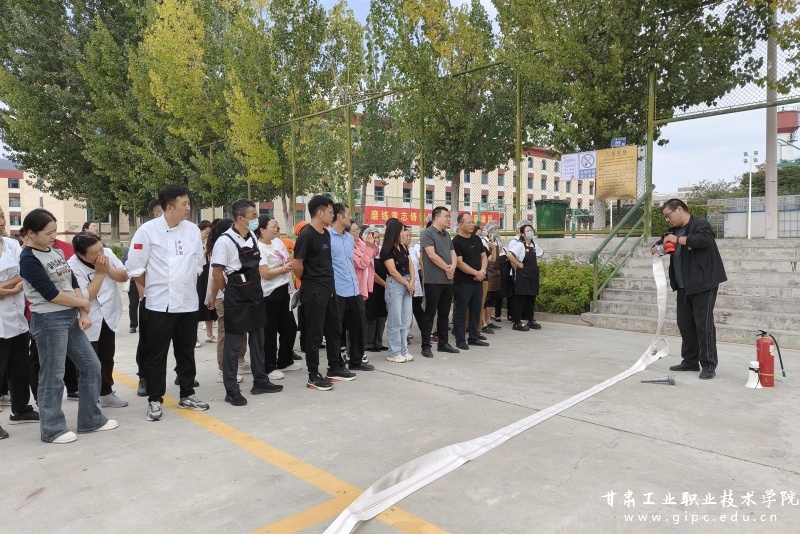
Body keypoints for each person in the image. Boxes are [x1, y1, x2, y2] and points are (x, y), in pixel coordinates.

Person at [19, 208, 117, 443]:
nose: (53, 236)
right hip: (48, 320)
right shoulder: (28, 258)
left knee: (91, 366)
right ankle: (52, 429)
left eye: (55, 231)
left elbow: (71, 282)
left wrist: (82, 312)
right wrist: (83, 303)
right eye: (48, 233)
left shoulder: (55, 251)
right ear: (31, 233)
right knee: (53, 376)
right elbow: (50, 294)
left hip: (70, 316)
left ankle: (90, 419)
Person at [126, 184, 210, 422]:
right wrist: (152, 290)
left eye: (188, 203)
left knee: (186, 351)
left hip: (187, 303)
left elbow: (198, 265)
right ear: (169, 207)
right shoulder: (147, 231)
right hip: (159, 304)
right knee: (156, 354)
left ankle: (187, 393)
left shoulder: (192, 230)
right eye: (184, 204)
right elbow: (136, 268)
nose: (188, 207)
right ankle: (155, 399)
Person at [208, 199, 282, 406]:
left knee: (258, 341)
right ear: (240, 218)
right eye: (253, 216)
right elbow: (217, 273)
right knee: (233, 345)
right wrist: (230, 291)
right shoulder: (225, 241)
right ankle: (231, 389)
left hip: (256, 293)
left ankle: (260, 381)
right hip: (236, 296)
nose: (256, 219)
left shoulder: (251, 237)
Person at [651, 199, 727, 380]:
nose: (667, 219)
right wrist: (658, 248)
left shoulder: (701, 225)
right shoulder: (672, 231)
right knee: (685, 324)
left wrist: (678, 240)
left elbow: (705, 240)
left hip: (703, 284)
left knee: (704, 326)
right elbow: (659, 244)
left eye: (668, 215)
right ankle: (690, 361)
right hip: (683, 285)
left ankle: (709, 365)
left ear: (679, 209)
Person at [292, 195, 354, 390]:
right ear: (319, 213)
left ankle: (334, 367)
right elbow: (297, 265)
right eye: (330, 212)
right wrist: (311, 280)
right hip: (314, 291)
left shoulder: (325, 234)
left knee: (334, 329)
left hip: (329, 289)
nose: (332, 215)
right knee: (314, 334)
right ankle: (313, 375)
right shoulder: (306, 235)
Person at [68, 232, 129, 408]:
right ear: (81, 254)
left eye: (100, 249)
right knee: (88, 361)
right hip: (88, 316)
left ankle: (106, 393)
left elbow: (124, 276)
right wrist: (100, 273)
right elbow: (85, 297)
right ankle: (90, 399)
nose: (100, 254)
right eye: (94, 253)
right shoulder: (72, 266)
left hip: (109, 313)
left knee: (107, 355)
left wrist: (108, 269)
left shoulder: (107, 254)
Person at [0, 206, 37, 439]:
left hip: (17, 316)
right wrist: (11, 287)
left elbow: (22, 274)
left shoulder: (12, 245)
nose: (1, 222)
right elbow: (15, 280)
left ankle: (20, 409)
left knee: (20, 365)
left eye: (2, 216)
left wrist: (6, 287)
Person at [328, 205, 374, 372]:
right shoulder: (327, 237)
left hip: (354, 288)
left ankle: (356, 360)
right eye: (348, 214)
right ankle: (335, 364)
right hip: (337, 290)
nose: (351, 216)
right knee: (336, 329)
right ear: (339, 216)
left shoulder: (349, 238)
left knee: (358, 327)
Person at [256, 215, 301, 378]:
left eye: (277, 226)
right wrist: (283, 269)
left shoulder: (277, 242)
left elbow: (285, 260)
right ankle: (269, 366)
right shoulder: (259, 247)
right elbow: (265, 273)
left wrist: (290, 262)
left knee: (290, 327)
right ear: (262, 230)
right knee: (270, 331)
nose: (277, 229)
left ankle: (285, 360)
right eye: (273, 226)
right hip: (269, 292)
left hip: (282, 289)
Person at [132, 199, 168, 394]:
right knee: (148, 342)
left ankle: (183, 375)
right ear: (158, 213)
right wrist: (144, 291)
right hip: (151, 299)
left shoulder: (182, 234)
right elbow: (137, 268)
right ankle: (144, 377)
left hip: (176, 300)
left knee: (181, 341)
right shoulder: (146, 234)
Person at [206, 219, 245, 384]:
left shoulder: (234, 245)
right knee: (225, 334)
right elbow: (215, 277)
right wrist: (216, 296)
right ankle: (223, 369)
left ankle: (239, 362)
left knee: (239, 333)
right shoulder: (221, 247)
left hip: (238, 296)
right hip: (225, 298)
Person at [419, 206, 459, 358]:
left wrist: (452, 267)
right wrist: (447, 268)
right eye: (446, 216)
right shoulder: (427, 233)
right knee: (429, 314)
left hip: (448, 280)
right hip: (433, 280)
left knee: (444, 314)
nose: (448, 219)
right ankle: (426, 346)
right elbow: (431, 255)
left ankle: (443, 343)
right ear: (436, 217)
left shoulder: (446, 234)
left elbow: (453, 253)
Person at [451, 213, 489, 350]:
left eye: (473, 222)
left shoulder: (476, 239)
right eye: (469, 222)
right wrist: (476, 273)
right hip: (463, 283)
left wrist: (482, 272)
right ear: (461, 224)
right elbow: (460, 263)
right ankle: (460, 340)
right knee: (460, 312)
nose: (472, 225)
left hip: (478, 281)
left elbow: (483, 256)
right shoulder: (456, 242)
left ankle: (474, 337)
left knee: (476, 311)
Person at [380, 218, 415, 362]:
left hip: (407, 283)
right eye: (401, 230)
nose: (403, 233)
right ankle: (394, 352)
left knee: (406, 320)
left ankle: (403, 350)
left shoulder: (403, 246)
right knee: (395, 320)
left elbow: (410, 264)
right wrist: (407, 283)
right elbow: (393, 271)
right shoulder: (387, 249)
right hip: (395, 285)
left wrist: (412, 281)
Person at [507, 220, 543, 331]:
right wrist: (518, 264)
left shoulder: (534, 245)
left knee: (531, 299)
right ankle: (517, 322)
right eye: (527, 231)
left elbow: (540, 254)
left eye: (531, 230)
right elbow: (509, 255)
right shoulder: (520, 245)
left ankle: (530, 320)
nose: (530, 232)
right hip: (523, 276)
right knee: (520, 299)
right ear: (522, 234)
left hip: (533, 276)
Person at [196, 220, 217, 347]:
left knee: (209, 304)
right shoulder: (194, 242)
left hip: (208, 273)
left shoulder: (210, 242)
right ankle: (195, 337)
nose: (207, 235)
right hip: (198, 276)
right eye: (206, 233)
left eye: (209, 233)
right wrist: (204, 252)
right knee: (197, 305)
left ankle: (210, 334)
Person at [483, 223, 503, 332]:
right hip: (488, 271)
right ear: (489, 230)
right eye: (494, 229)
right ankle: (483, 323)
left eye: (497, 229)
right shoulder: (484, 241)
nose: (496, 231)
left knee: (492, 299)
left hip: (496, 272)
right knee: (485, 299)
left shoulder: (497, 241)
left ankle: (489, 321)